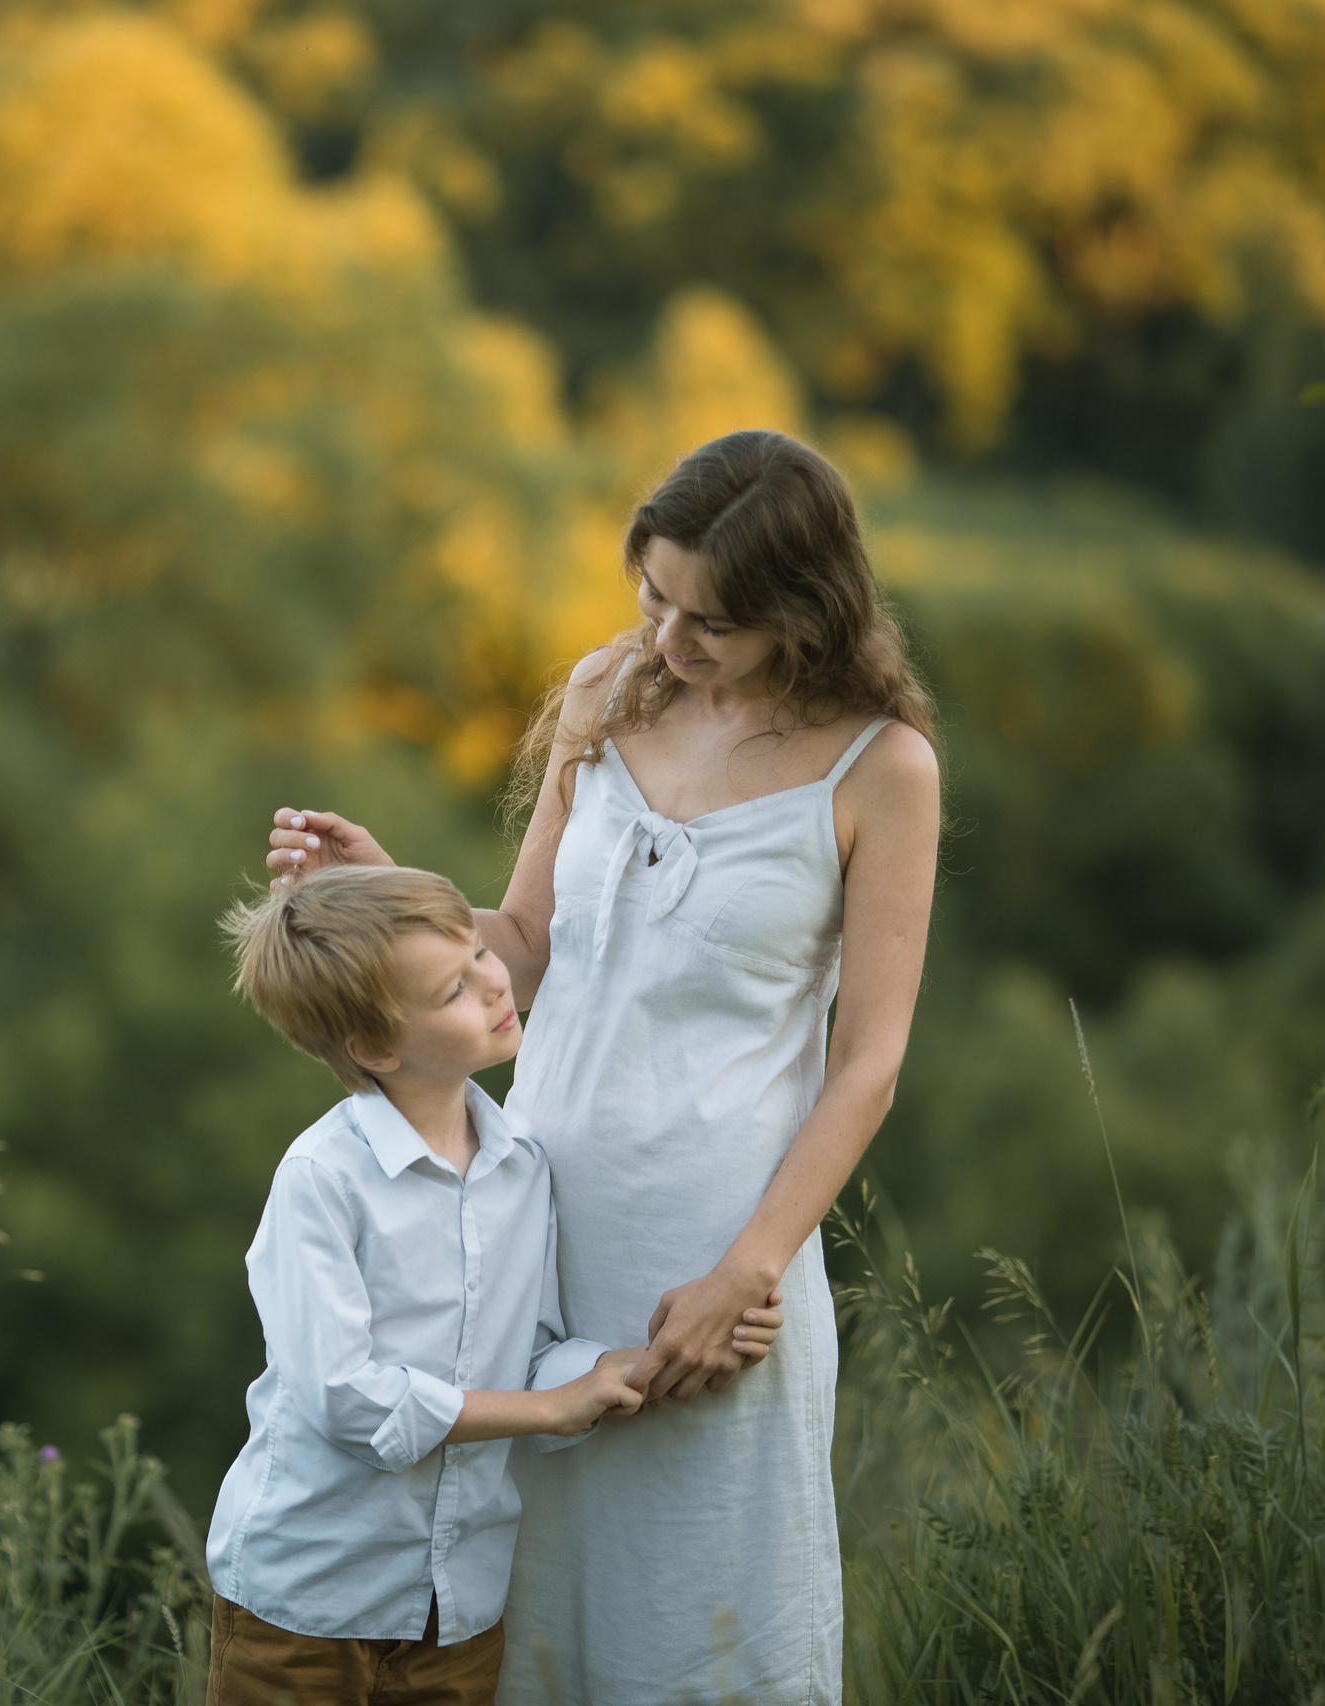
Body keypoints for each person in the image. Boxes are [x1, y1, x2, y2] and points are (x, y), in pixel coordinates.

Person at [262, 431, 942, 1704]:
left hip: (718, 1261)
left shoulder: (881, 768)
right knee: (529, 1612)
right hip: (527, 1221)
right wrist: (382, 893)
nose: (670, 641)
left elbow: (869, 1065)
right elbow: (520, 946)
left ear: (805, 611)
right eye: (654, 598)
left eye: (713, 623)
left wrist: (742, 1267)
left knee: (705, 1621)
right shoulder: (606, 694)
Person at [207, 863, 787, 1706]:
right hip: (307, 1602)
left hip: (461, 1606)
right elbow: (345, 1398)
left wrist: (635, 1365)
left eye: (480, 952)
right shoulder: (322, 1179)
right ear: (374, 1047)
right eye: (452, 989)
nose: (491, 982)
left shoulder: (524, 1168)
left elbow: (536, 1354)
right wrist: (550, 1408)